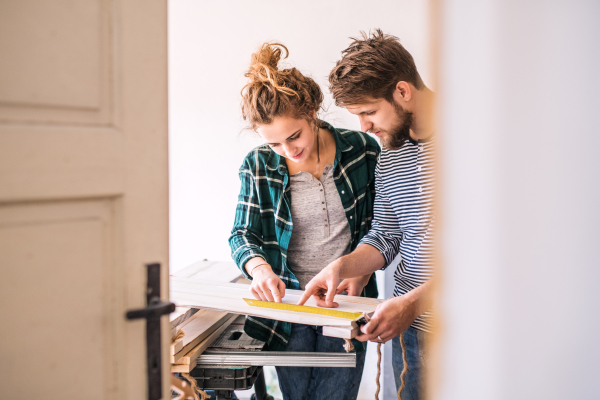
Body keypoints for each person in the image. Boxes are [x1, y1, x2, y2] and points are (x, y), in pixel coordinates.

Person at [228, 42, 380, 400]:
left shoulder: (362, 150)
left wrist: (362, 271)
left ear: (312, 111)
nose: (288, 150)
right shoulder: (258, 165)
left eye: (294, 136)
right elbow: (241, 234)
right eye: (276, 144)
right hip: (289, 305)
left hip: (345, 303)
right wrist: (260, 269)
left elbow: (383, 225)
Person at [298, 30, 436, 400]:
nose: (364, 127)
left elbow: (501, 251)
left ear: (403, 91)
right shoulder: (390, 155)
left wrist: (412, 302)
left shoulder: (483, 136)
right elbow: (386, 235)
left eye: (369, 112)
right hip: (416, 332)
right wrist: (344, 266)